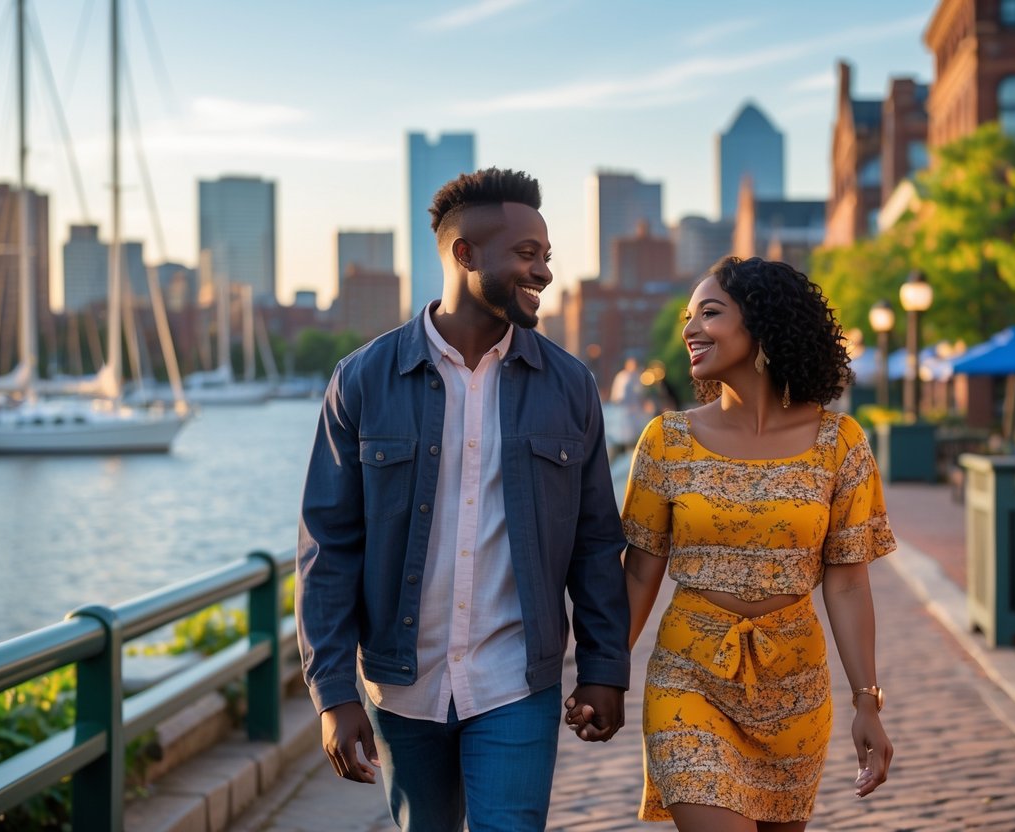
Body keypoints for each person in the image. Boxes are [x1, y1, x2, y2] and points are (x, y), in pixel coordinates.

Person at [296, 167, 631, 832]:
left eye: (546, 256)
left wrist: (603, 668)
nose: (542, 272)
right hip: (400, 686)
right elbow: (327, 547)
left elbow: (595, 542)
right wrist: (333, 694)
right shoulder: (363, 380)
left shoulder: (569, 386)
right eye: (526, 255)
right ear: (464, 254)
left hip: (515, 681)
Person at [571, 255, 895, 831]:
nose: (690, 329)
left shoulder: (840, 444)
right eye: (688, 318)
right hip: (688, 676)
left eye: (709, 313)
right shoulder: (667, 440)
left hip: (795, 688)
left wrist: (866, 700)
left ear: (764, 323)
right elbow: (641, 571)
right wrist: (604, 670)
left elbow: (847, 582)